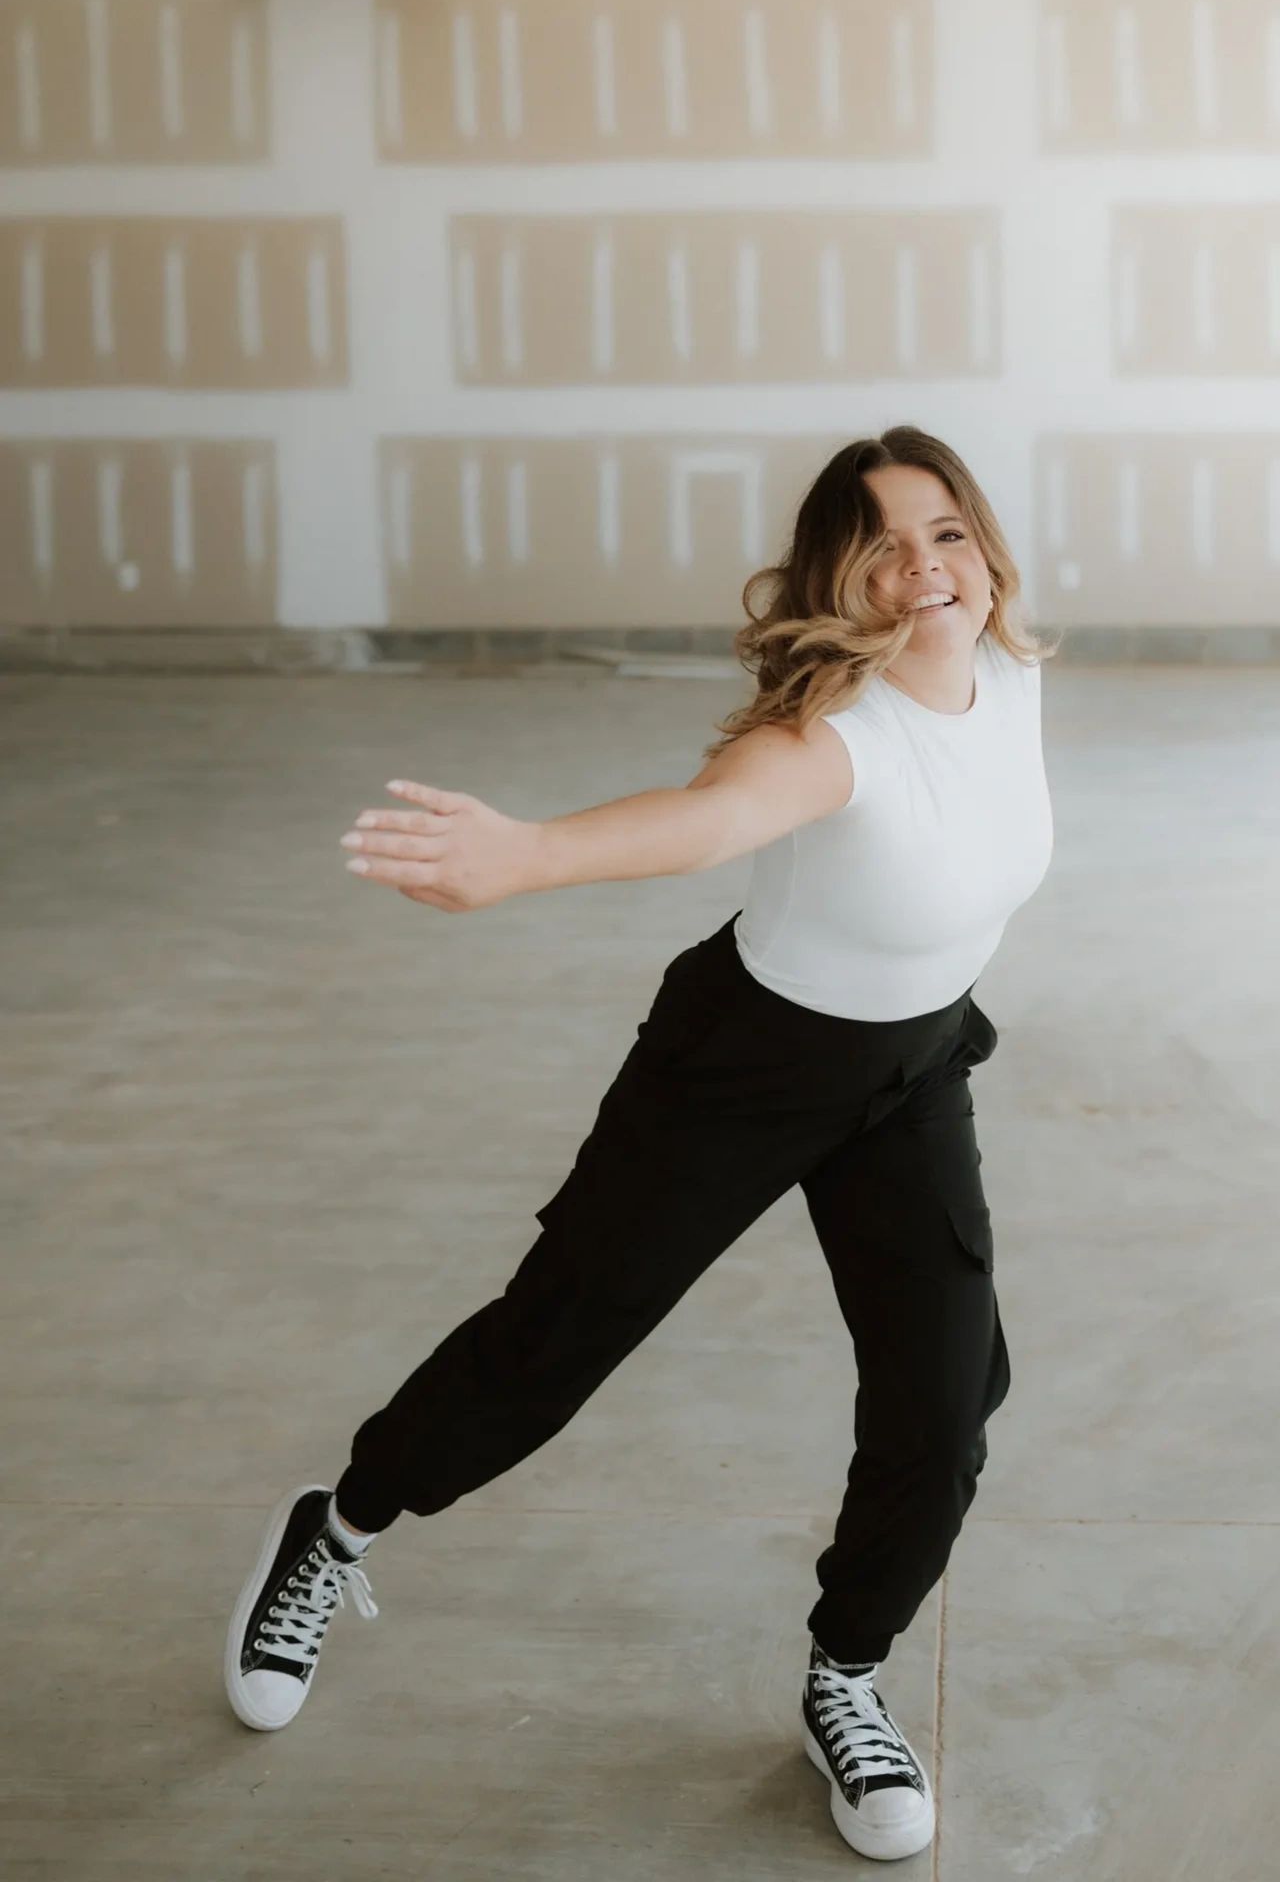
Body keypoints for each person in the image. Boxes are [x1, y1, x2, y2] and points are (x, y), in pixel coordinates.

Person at [223, 424, 1056, 1864]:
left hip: (913, 1068)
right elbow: (707, 818)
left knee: (945, 1397)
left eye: (950, 533)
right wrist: (533, 853)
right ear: (839, 578)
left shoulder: (1018, 674)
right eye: (886, 545)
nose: (928, 569)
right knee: (553, 1348)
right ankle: (336, 1527)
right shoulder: (829, 737)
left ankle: (844, 1676)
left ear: (985, 547)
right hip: (742, 1067)